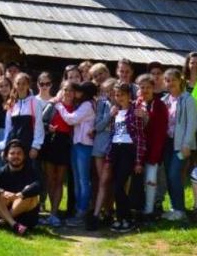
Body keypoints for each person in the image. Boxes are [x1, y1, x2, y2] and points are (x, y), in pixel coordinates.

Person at [53, 81, 97, 227]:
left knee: (83, 182)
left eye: (78, 91)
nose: (75, 93)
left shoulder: (87, 105)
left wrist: (58, 105)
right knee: (78, 182)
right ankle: (79, 211)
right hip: (78, 144)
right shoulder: (84, 104)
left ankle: (82, 213)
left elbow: (71, 119)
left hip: (84, 146)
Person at [0, 139, 42, 236]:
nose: (15, 156)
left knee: (29, 191)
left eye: (19, 153)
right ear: (6, 156)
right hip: (5, 208)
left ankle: (1, 222)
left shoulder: (30, 171)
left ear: (24, 155)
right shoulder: (1, 171)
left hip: (26, 218)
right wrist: (0, 192)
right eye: (12, 153)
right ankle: (14, 224)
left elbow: (39, 185)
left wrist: (20, 194)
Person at [161, 69, 197, 221]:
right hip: (167, 143)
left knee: (175, 175)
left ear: (180, 80)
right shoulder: (164, 100)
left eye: (173, 80)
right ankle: (173, 208)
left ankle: (180, 210)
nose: (170, 83)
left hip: (181, 144)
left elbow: (192, 123)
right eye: (167, 80)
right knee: (168, 176)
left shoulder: (188, 99)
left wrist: (187, 144)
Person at [109, 82, 145, 231]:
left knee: (120, 185)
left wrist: (138, 161)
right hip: (116, 149)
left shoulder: (135, 111)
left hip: (128, 149)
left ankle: (128, 218)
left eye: (122, 95)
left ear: (129, 95)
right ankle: (120, 217)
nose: (120, 98)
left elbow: (140, 137)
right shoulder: (116, 112)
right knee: (116, 186)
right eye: (117, 95)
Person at [38, 79, 74, 228]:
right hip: (51, 142)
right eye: (66, 89)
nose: (68, 93)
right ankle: (52, 212)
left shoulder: (76, 107)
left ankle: (54, 213)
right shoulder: (52, 105)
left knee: (59, 180)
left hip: (65, 144)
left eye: (71, 90)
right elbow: (41, 120)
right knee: (49, 179)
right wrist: (48, 126)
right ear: (62, 90)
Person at [135, 75, 168, 219]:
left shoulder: (159, 105)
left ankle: (149, 211)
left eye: (148, 87)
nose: (145, 90)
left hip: (153, 151)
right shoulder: (136, 104)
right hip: (138, 152)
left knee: (151, 180)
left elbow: (160, 132)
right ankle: (138, 208)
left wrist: (155, 155)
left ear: (153, 88)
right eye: (142, 87)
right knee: (138, 182)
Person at [89, 77, 116, 230]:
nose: (110, 93)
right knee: (102, 181)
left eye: (112, 90)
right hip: (100, 146)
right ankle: (102, 213)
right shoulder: (102, 104)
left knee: (112, 182)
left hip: (115, 147)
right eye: (106, 91)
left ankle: (109, 212)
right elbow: (98, 126)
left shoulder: (124, 104)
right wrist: (110, 115)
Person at [0, 73, 44, 161]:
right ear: (15, 85)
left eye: (24, 83)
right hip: (13, 145)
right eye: (18, 83)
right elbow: (8, 127)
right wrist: (4, 146)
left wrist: (35, 146)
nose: (21, 86)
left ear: (28, 85)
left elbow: (38, 125)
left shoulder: (35, 102)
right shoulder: (11, 103)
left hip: (28, 145)